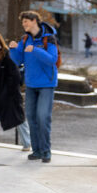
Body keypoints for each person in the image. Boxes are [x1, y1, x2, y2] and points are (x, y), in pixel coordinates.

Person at [9, 11, 59, 163]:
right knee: (31, 117)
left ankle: (46, 151)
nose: (24, 25)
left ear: (35, 21)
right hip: (30, 84)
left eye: (26, 22)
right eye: (23, 22)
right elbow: (17, 61)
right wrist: (12, 49)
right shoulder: (24, 40)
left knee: (43, 117)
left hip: (46, 84)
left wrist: (35, 50)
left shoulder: (48, 38)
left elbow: (52, 60)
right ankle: (36, 151)